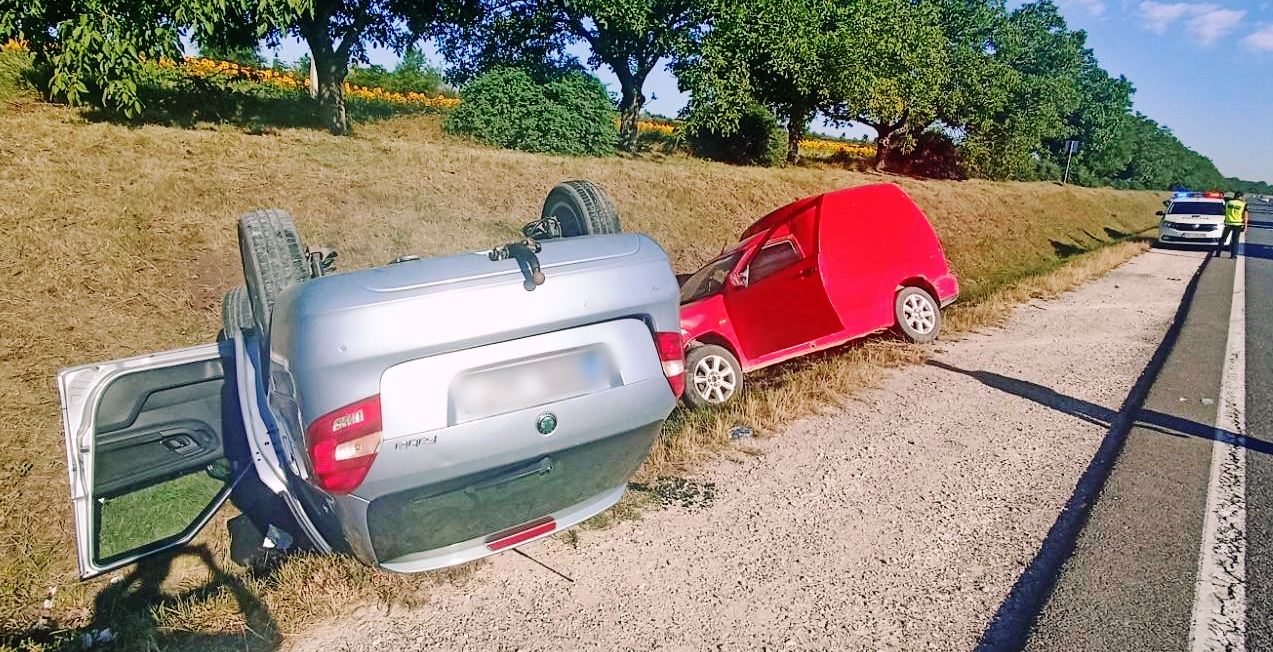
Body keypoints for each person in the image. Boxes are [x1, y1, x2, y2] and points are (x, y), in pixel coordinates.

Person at [1215, 191, 1249, 259]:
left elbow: (1224, 204)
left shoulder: (1228, 202)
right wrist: (1245, 226)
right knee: (1235, 240)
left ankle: (1218, 253)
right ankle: (1233, 255)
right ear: (1241, 196)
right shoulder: (1243, 204)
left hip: (1228, 223)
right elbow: (1245, 216)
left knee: (1223, 239)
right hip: (1238, 224)